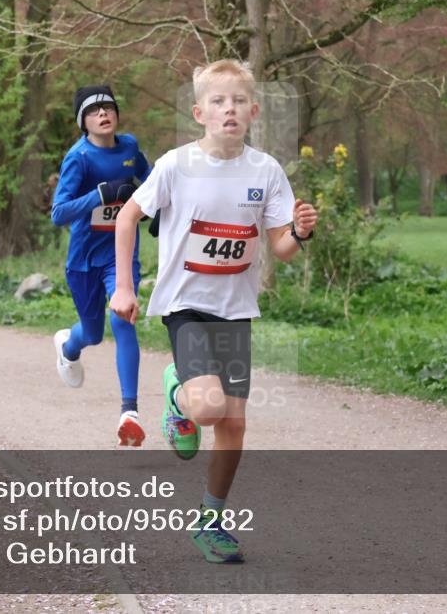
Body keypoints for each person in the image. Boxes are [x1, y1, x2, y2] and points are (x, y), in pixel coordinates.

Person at [110, 59, 318, 563]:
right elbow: (129, 217)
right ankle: (179, 394)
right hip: (186, 305)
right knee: (207, 409)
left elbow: (280, 247)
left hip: (235, 309)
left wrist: (300, 232)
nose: (230, 109)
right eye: (219, 102)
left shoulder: (265, 171)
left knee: (234, 425)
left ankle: (210, 518)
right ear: (200, 112)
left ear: (254, 111)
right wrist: (123, 286)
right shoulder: (176, 165)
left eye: (239, 101)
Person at [50, 85, 151, 447]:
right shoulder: (78, 157)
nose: (103, 114)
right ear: (84, 122)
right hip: (84, 260)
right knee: (92, 333)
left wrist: (156, 209)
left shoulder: (129, 147)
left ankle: (130, 412)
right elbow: (58, 213)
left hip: (120, 254)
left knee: (121, 317)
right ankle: (68, 346)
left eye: (109, 107)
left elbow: (152, 179)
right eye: (94, 112)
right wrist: (101, 195)